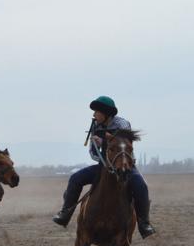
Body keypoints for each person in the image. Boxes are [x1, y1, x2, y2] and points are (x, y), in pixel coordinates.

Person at [52, 96, 156, 238]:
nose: (94, 115)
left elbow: (122, 144)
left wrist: (103, 142)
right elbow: (93, 154)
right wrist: (97, 149)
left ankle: (144, 223)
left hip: (125, 165)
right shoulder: (95, 126)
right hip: (104, 166)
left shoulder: (122, 124)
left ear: (106, 113)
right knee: (75, 178)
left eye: (97, 112)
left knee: (141, 186)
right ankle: (65, 212)